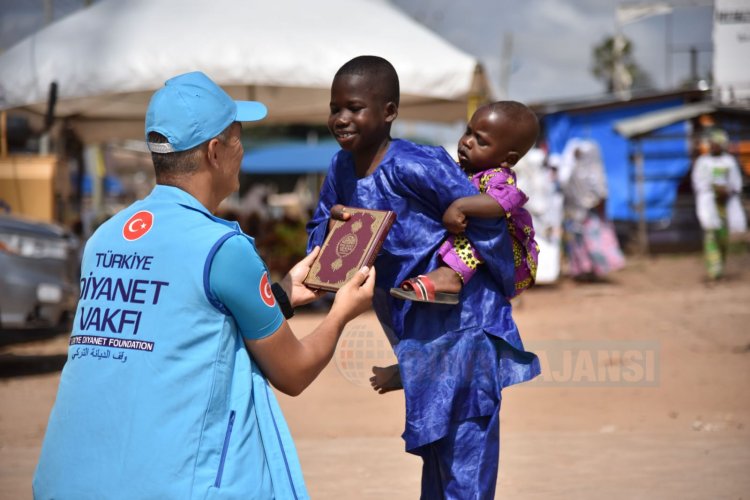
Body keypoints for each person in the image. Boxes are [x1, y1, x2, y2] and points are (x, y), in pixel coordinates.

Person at [33, 71, 375, 499]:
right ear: (216, 151)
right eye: (237, 138)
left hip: (72, 480)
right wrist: (343, 310)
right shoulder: (222, 247)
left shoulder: (105, 235)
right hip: (172, 484)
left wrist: (281, 294)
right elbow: (293, 371)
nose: (242, 151)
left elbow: (182, 320)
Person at [307, 55, 539, 499]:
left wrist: (452, 268)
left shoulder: (420, 164)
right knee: (436, 455)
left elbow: (490, 220)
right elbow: (318, 234)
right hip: (416, 333)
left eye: (354, 107)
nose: (341, 119)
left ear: (389, 112)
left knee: (464, 460)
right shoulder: (339, 169)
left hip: (464, 327)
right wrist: (338, 227)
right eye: (335, 108)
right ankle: (419, 368)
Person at [390, 100, 540, 304]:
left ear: (509, 159)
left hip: (509, 255)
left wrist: (460, 206)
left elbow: (504, 201)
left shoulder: (498, 176)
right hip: (487, 252)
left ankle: (450, 277)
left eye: (481, 141)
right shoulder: (463, 170)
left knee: (480, 226)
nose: (467, 141)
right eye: (468, 132)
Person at [558, 137, 625, 281]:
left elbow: (566, 192)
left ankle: (585, 270)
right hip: (590, 215)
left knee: (580, 244)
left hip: (576, 215)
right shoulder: (595, 172)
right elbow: (601, 193)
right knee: (594, 242)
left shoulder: (571, 172)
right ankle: (593, 271)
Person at [691, 129, 747, 281]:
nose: (714, 146)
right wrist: (713, 189)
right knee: (711, 235)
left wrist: (727, 191)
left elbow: (736, 183)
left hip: (725, 205)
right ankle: (714, 270)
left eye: (717, 144)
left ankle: (720, 267)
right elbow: (698, 182)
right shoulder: (703, 162)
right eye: (712, 143)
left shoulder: (729, 161)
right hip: (710, 203)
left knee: (723, 237)